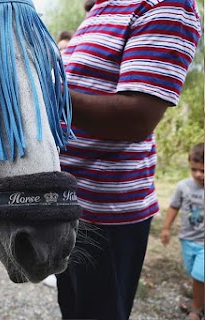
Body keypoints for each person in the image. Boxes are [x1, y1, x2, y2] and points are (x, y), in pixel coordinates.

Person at [55, 1, 202, 320]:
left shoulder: (166, 6)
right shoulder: (101, 10)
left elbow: (135, 119)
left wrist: (38, 89)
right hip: (69, 203)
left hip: (106, 216)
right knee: (72, 307)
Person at [160, 143, 204, 320]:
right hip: (188, 239)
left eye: (203, 170)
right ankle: (200, 300)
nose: (198, 174)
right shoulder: (183, 187)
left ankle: (196, 309)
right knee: (194, 272)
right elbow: (173, 207)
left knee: (200, 274)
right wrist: (165, 228)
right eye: (194, 170)